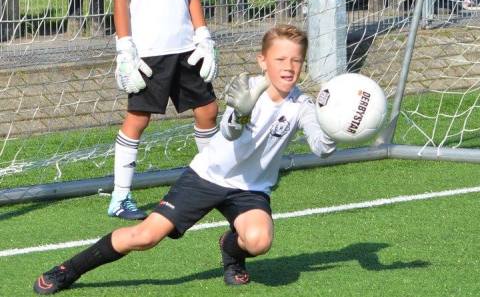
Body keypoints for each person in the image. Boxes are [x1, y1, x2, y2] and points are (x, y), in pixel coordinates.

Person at [32, 24, 337, 294]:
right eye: (280, 59)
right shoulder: (248, 89)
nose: (288, 67)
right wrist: (241, 113)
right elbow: (229, 132)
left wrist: (339, 128)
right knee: (145, 237)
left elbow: (321, 147)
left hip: (250, 188)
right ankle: (69, 269)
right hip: (206, 177)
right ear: (263, 61)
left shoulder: (302, 104)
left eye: (296, 60)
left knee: (258, 241)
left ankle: (231, 249)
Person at [108, 0, 219, 220]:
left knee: (208, 111)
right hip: (150, 53)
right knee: (138, 120)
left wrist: (203, 35)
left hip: (186, 48)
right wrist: (125, 47)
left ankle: (214, 182)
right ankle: (120, 196)